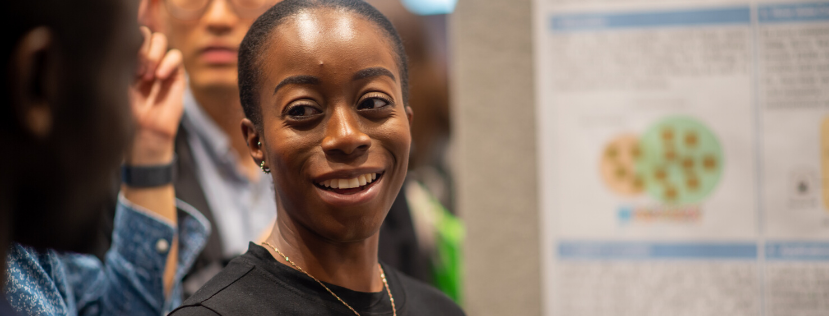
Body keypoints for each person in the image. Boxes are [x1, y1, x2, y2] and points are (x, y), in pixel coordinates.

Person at [169, 0, 465, 315]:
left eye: (374, 102)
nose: (347, 136)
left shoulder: (439, 309)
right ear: (257, 142)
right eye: (303, 110)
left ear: (407, 122)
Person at [1, 0, 208, 315]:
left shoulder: (29, 239)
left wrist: (151, 148)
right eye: (124, 71)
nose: (130, 118)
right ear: (38, 81)